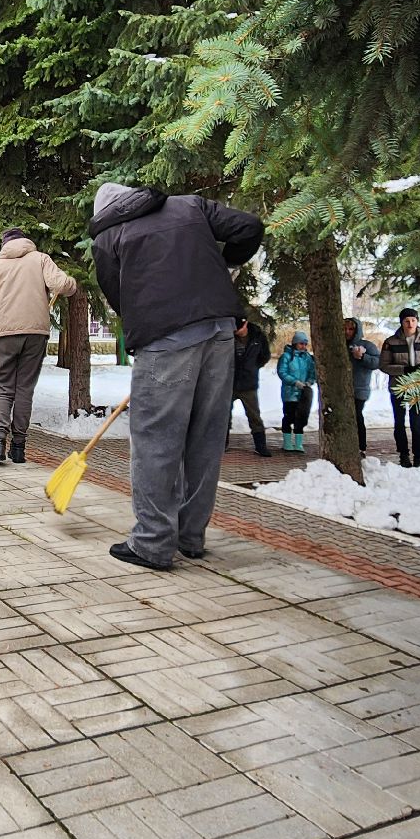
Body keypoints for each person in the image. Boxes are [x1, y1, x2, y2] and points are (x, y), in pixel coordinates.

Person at [90, 183, 264, 570]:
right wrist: (225, 267)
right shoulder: (190, 206)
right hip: (219, 332)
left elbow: (119, 297)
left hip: (165, 340)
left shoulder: (107, 237)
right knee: (205, 436)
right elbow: (249, 227)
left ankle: (152, 543)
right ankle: (190, 536)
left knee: (156, 440)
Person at [0, 228, 77, 465]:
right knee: (25, 388)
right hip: (35, 332)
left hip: (4, 333)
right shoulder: (40, 259)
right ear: (26, 241)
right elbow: (62, 284)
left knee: (3, 388)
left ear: (4, 244)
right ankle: (18, 448)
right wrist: (71, 284)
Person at [379, 307, 420, 467]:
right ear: (401, 322)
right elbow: (383, 365)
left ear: (417, 321)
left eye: (413, 320)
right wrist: (404, 370)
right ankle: (403, 455)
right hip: (399, 387)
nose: (410, 324)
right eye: (406, 321)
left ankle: (419, 456)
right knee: (399, 422)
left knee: (417, 423)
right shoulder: (391, 342)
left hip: (419, 387)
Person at [231, 317, 272, 457]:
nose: (237, 332)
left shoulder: (258, 337)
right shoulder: (229, 337)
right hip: (229, 382)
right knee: (223, 416)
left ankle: (261, 446)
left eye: (240, 329)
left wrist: (253, 367)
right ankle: (221, 445)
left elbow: (265, 356)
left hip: (249, 383)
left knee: (254, 416)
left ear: (246, 325)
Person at [276, 331, 317, 453]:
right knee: (289, 417)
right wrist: (294, 382)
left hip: (303, 394)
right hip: (289, 393)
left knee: (301, 418)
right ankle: (287, 442)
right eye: (301, 343)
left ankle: (298, 443)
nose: (303, 346)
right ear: (295, 343)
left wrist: (309, 382)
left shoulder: (307, 358)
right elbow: (282, 372)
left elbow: (312, 372)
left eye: (305, 344)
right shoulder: (287, 357)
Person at [344, 317, 380, 452]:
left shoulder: (367, 345)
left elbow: (377, 362)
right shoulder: (338, 345)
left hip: (359, 389)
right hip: (341, 389)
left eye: (351, 329)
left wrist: (363, 357)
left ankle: (361, 447)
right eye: (345, 329)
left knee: (356, 416)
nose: (347, 332)